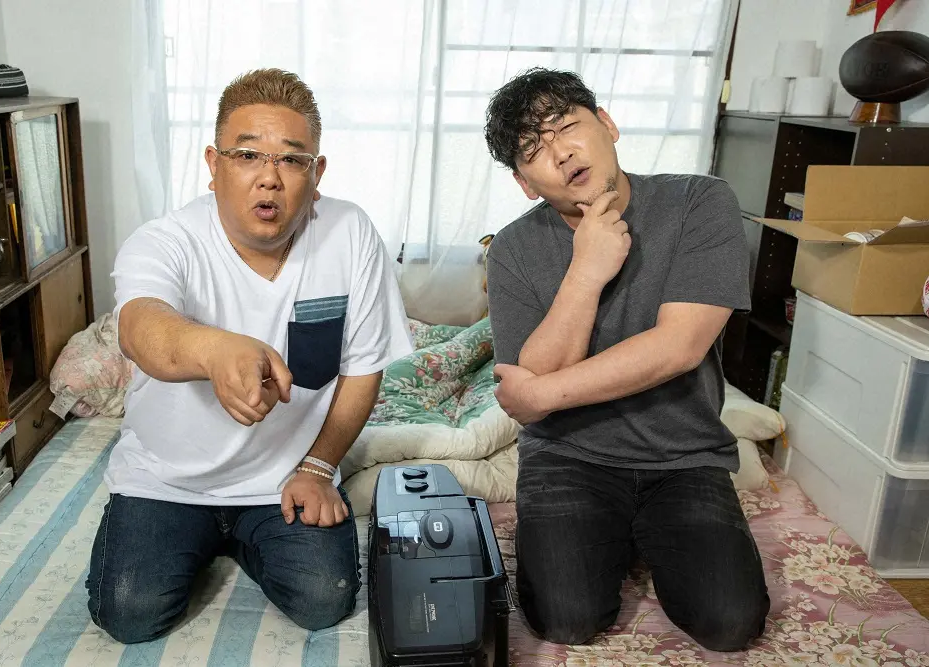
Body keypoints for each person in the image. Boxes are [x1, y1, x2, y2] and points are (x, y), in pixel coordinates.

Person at [86, 68, 412, 644]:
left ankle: (248, 538)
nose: (269, 178)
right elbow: (141, 330)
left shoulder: (350, 233)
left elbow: (364, 369)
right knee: (130, 615)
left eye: (292, 160)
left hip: (286, 478)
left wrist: (318, 467)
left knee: (324, 600)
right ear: (213, 166)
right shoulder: (165, 241)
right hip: (167, 480)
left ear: (316, 173)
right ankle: (197, 537)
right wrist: (215, 349)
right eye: (247, 156)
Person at [482, 68, 769, 651]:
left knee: (731, 624)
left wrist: (539, 397)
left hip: (683, 455)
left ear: (607, 125)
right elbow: (531, 371)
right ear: (525, 184)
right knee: (567, 620)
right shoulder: (512, 248)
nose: (561, 153)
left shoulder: (699, 201)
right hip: (568, 453)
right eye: (534, 150)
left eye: (567, 126)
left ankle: (642, 535)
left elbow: (679, 347)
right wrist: (586, 270)